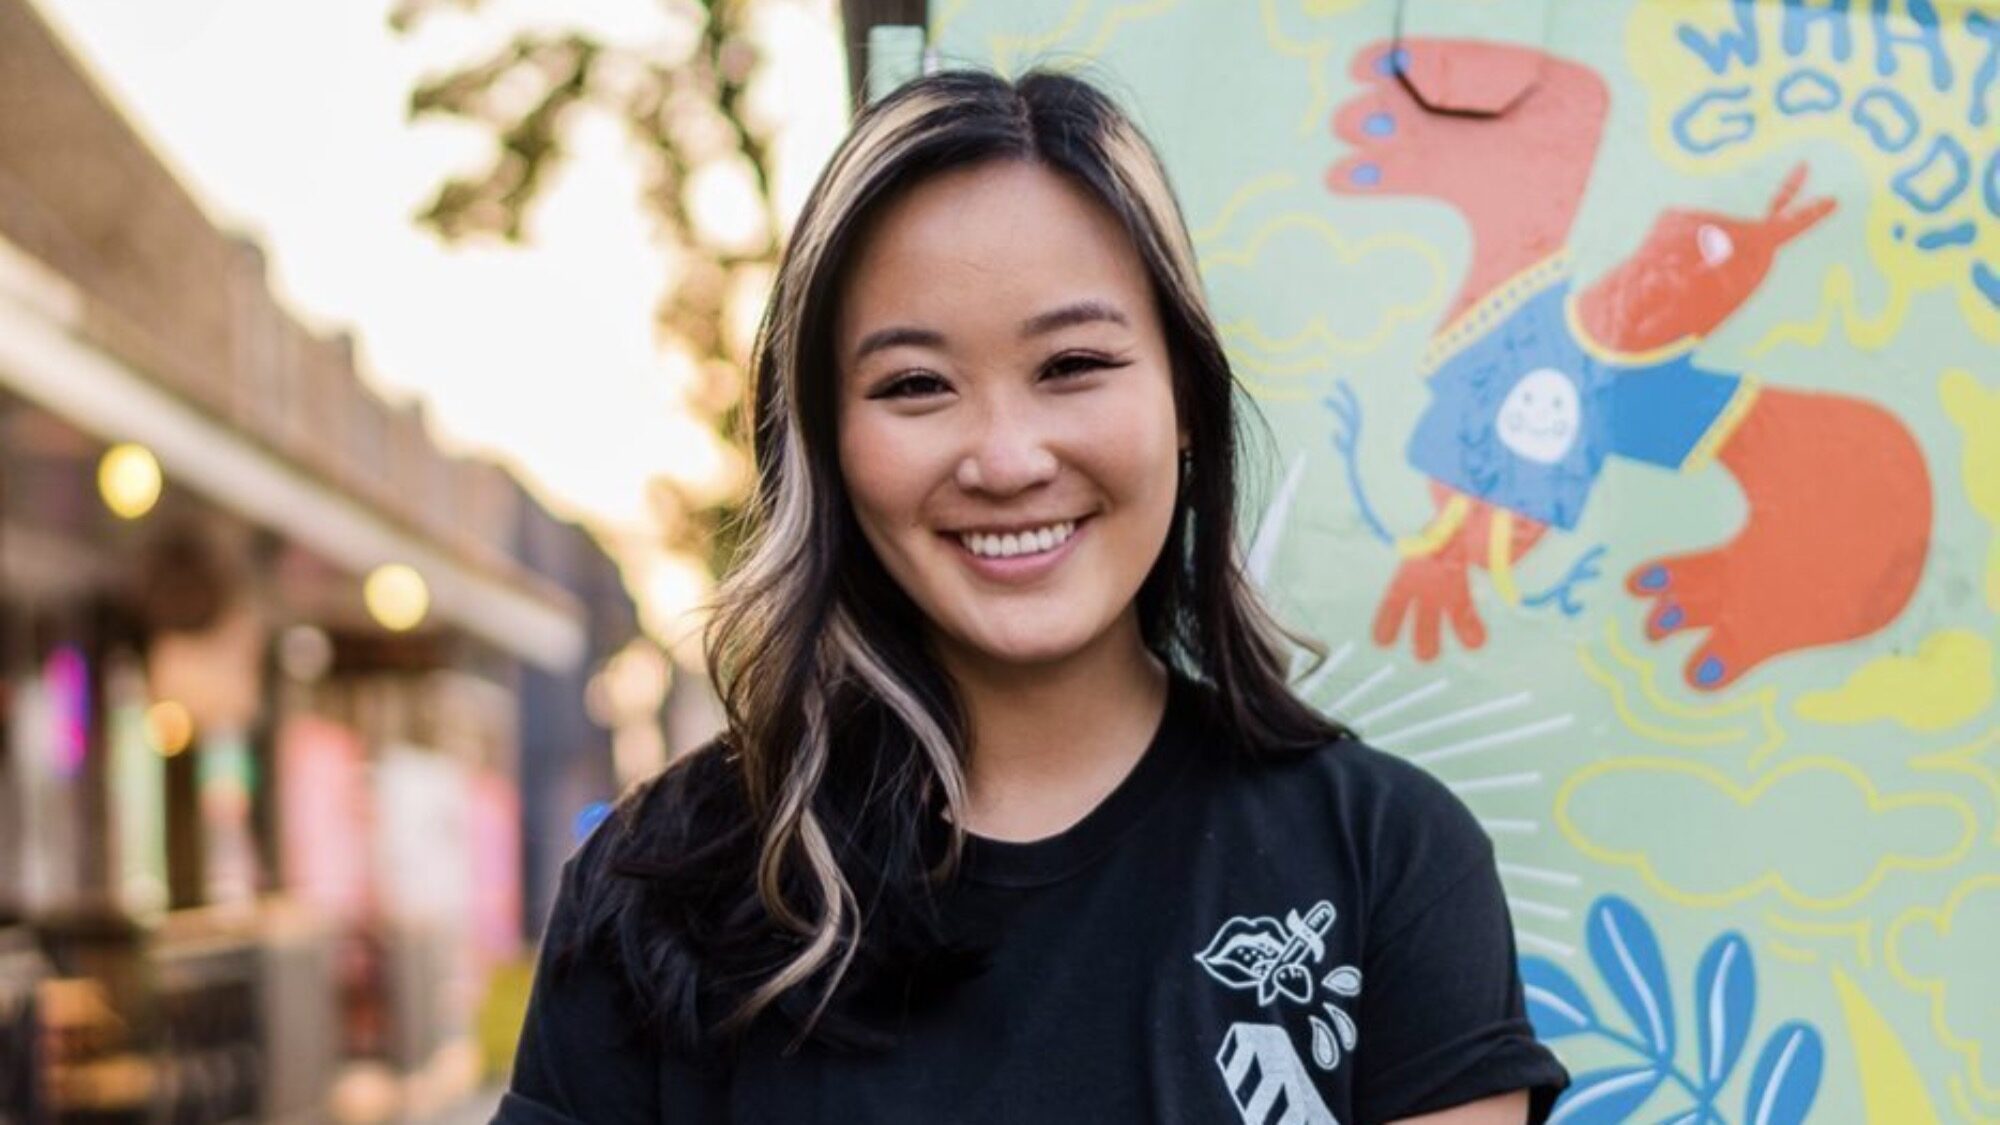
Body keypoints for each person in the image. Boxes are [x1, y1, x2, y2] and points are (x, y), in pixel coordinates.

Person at [495, 68, 1570, 1125]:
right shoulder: (658, 886)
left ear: (1184, 397)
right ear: (825, 439)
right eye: (915, 385)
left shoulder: (1384, 858)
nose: (1005, 459)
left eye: (1071, 365)